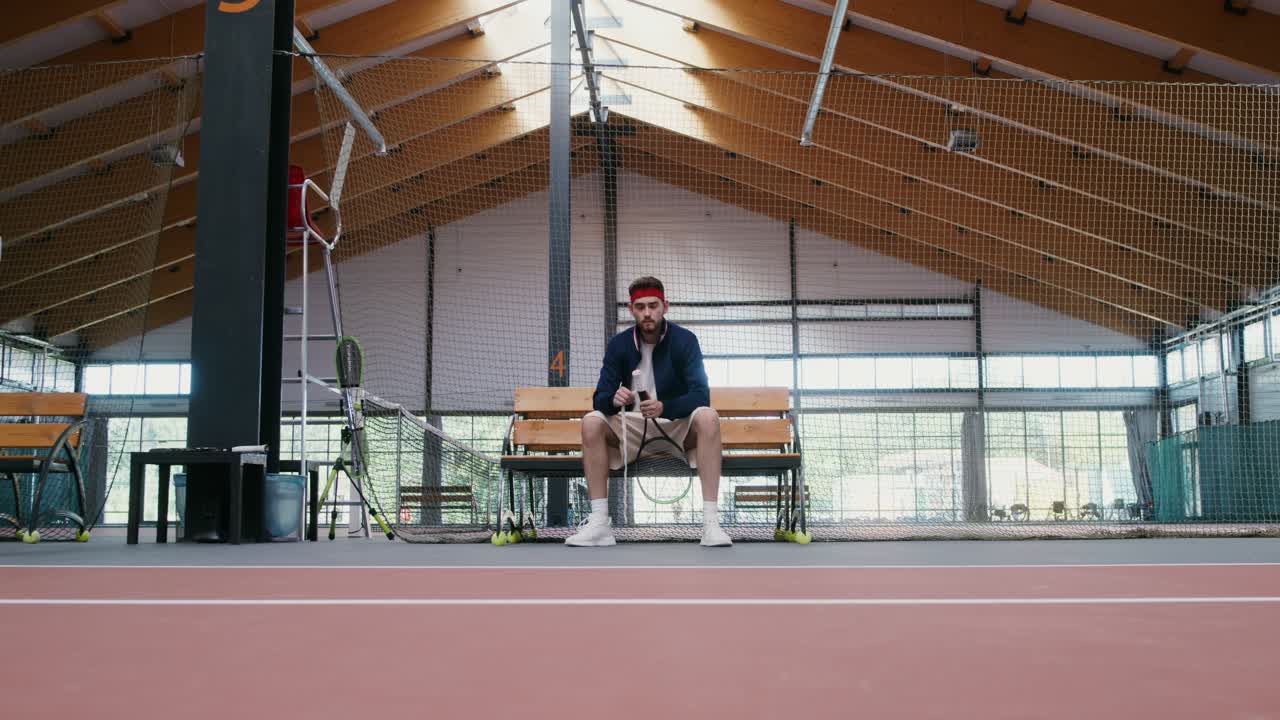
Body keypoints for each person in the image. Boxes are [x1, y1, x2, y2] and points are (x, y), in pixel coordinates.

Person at [566, 276, 732, 547]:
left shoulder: (686, 341)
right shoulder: (618, 344)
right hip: (630, 427)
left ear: (665, 306)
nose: (647, 313)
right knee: (591, 422)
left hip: (675, 423)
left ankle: (711, 524)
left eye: (653, 305)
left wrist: (665, 407)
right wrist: (614, 398)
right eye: (640, 306)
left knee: (708, 417)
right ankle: (599, 525)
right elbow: (600, 399)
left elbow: (701, 395)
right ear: (631, 310)